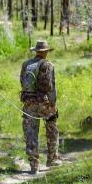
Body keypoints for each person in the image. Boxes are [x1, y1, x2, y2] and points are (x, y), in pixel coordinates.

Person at [20, 40, 61, 174]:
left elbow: (22, 81)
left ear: (36, 51)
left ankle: (34, 165)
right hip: (44, 103)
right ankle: (52, 158)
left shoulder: (26, 64)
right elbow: (51, 87)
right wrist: (53, 104)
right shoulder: (48, 65)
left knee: (30, 133)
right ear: (46, 52)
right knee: (52, 129)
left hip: (29, 103)